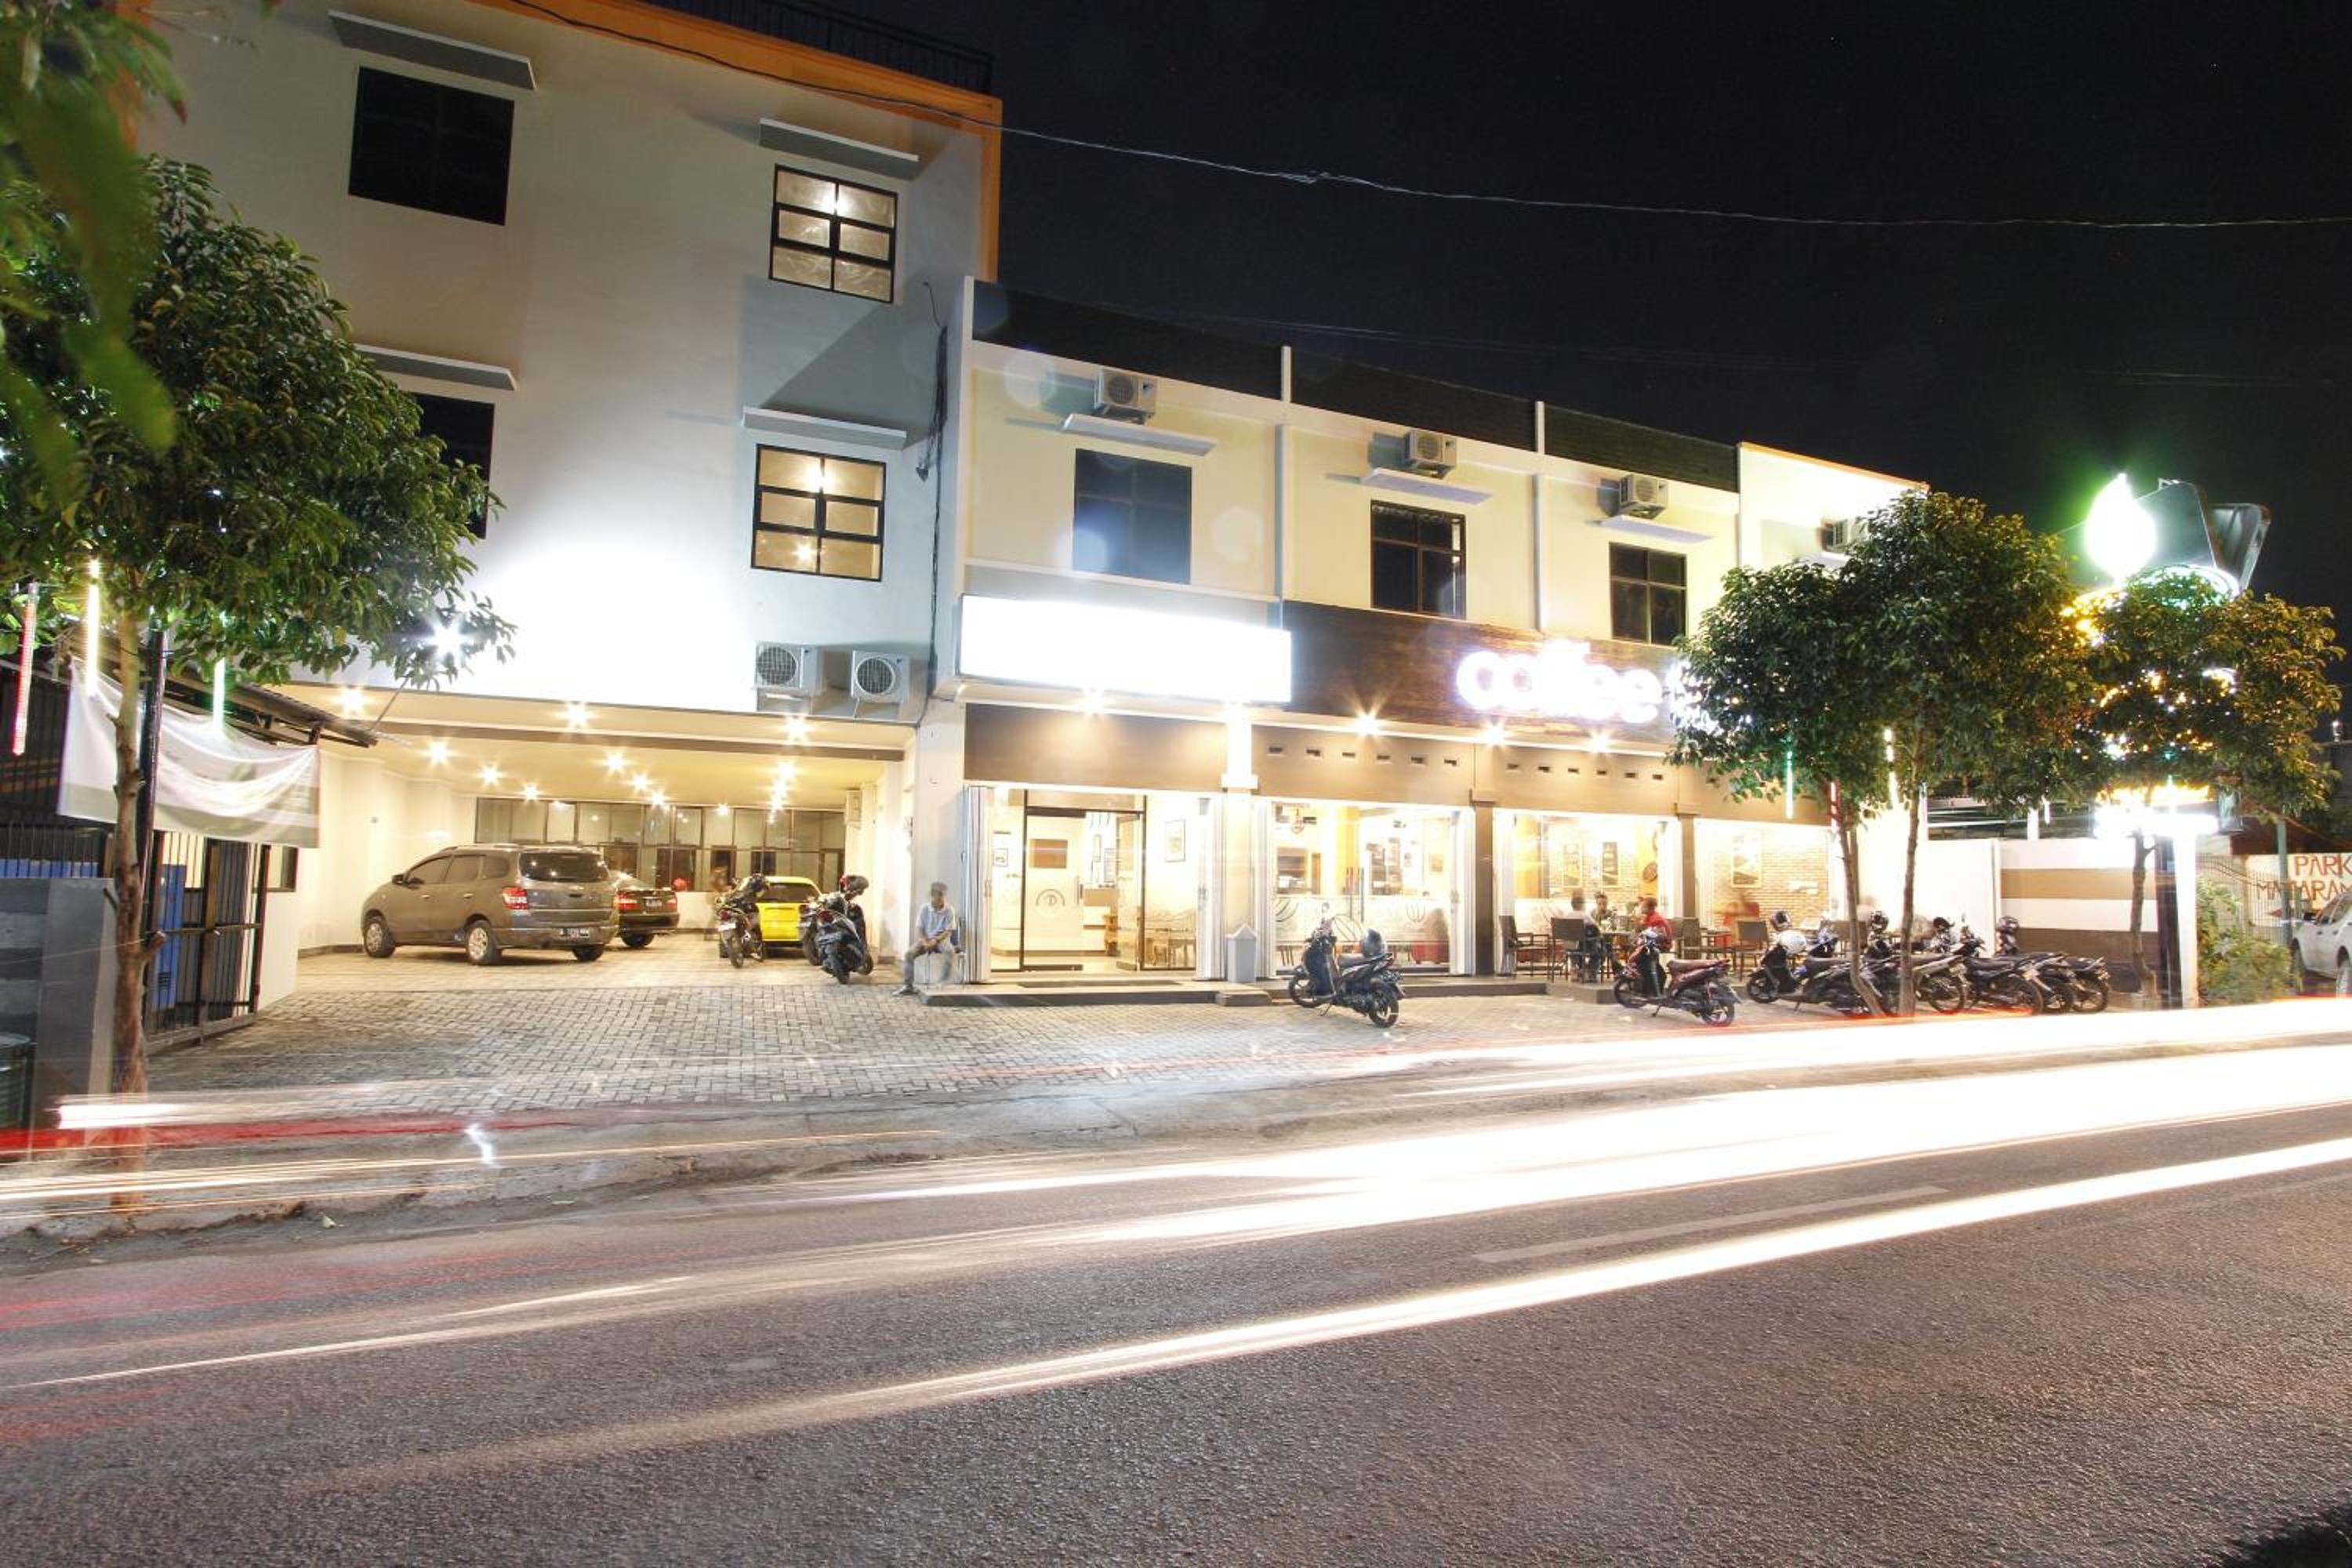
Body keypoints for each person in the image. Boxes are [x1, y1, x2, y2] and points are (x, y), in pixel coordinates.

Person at [897, 881, 960, 995]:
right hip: (926, 939)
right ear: (932, 894)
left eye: (944, 895)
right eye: (940, 894)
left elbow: (948, 931)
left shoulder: (949, 910)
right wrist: (925, 942)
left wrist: (935, 940)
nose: (942, 898)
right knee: (908, 954)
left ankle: (942, 982)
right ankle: (908, 986)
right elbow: (920, 928)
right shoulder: (924, 908)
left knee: (949, 951)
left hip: (941, 939)